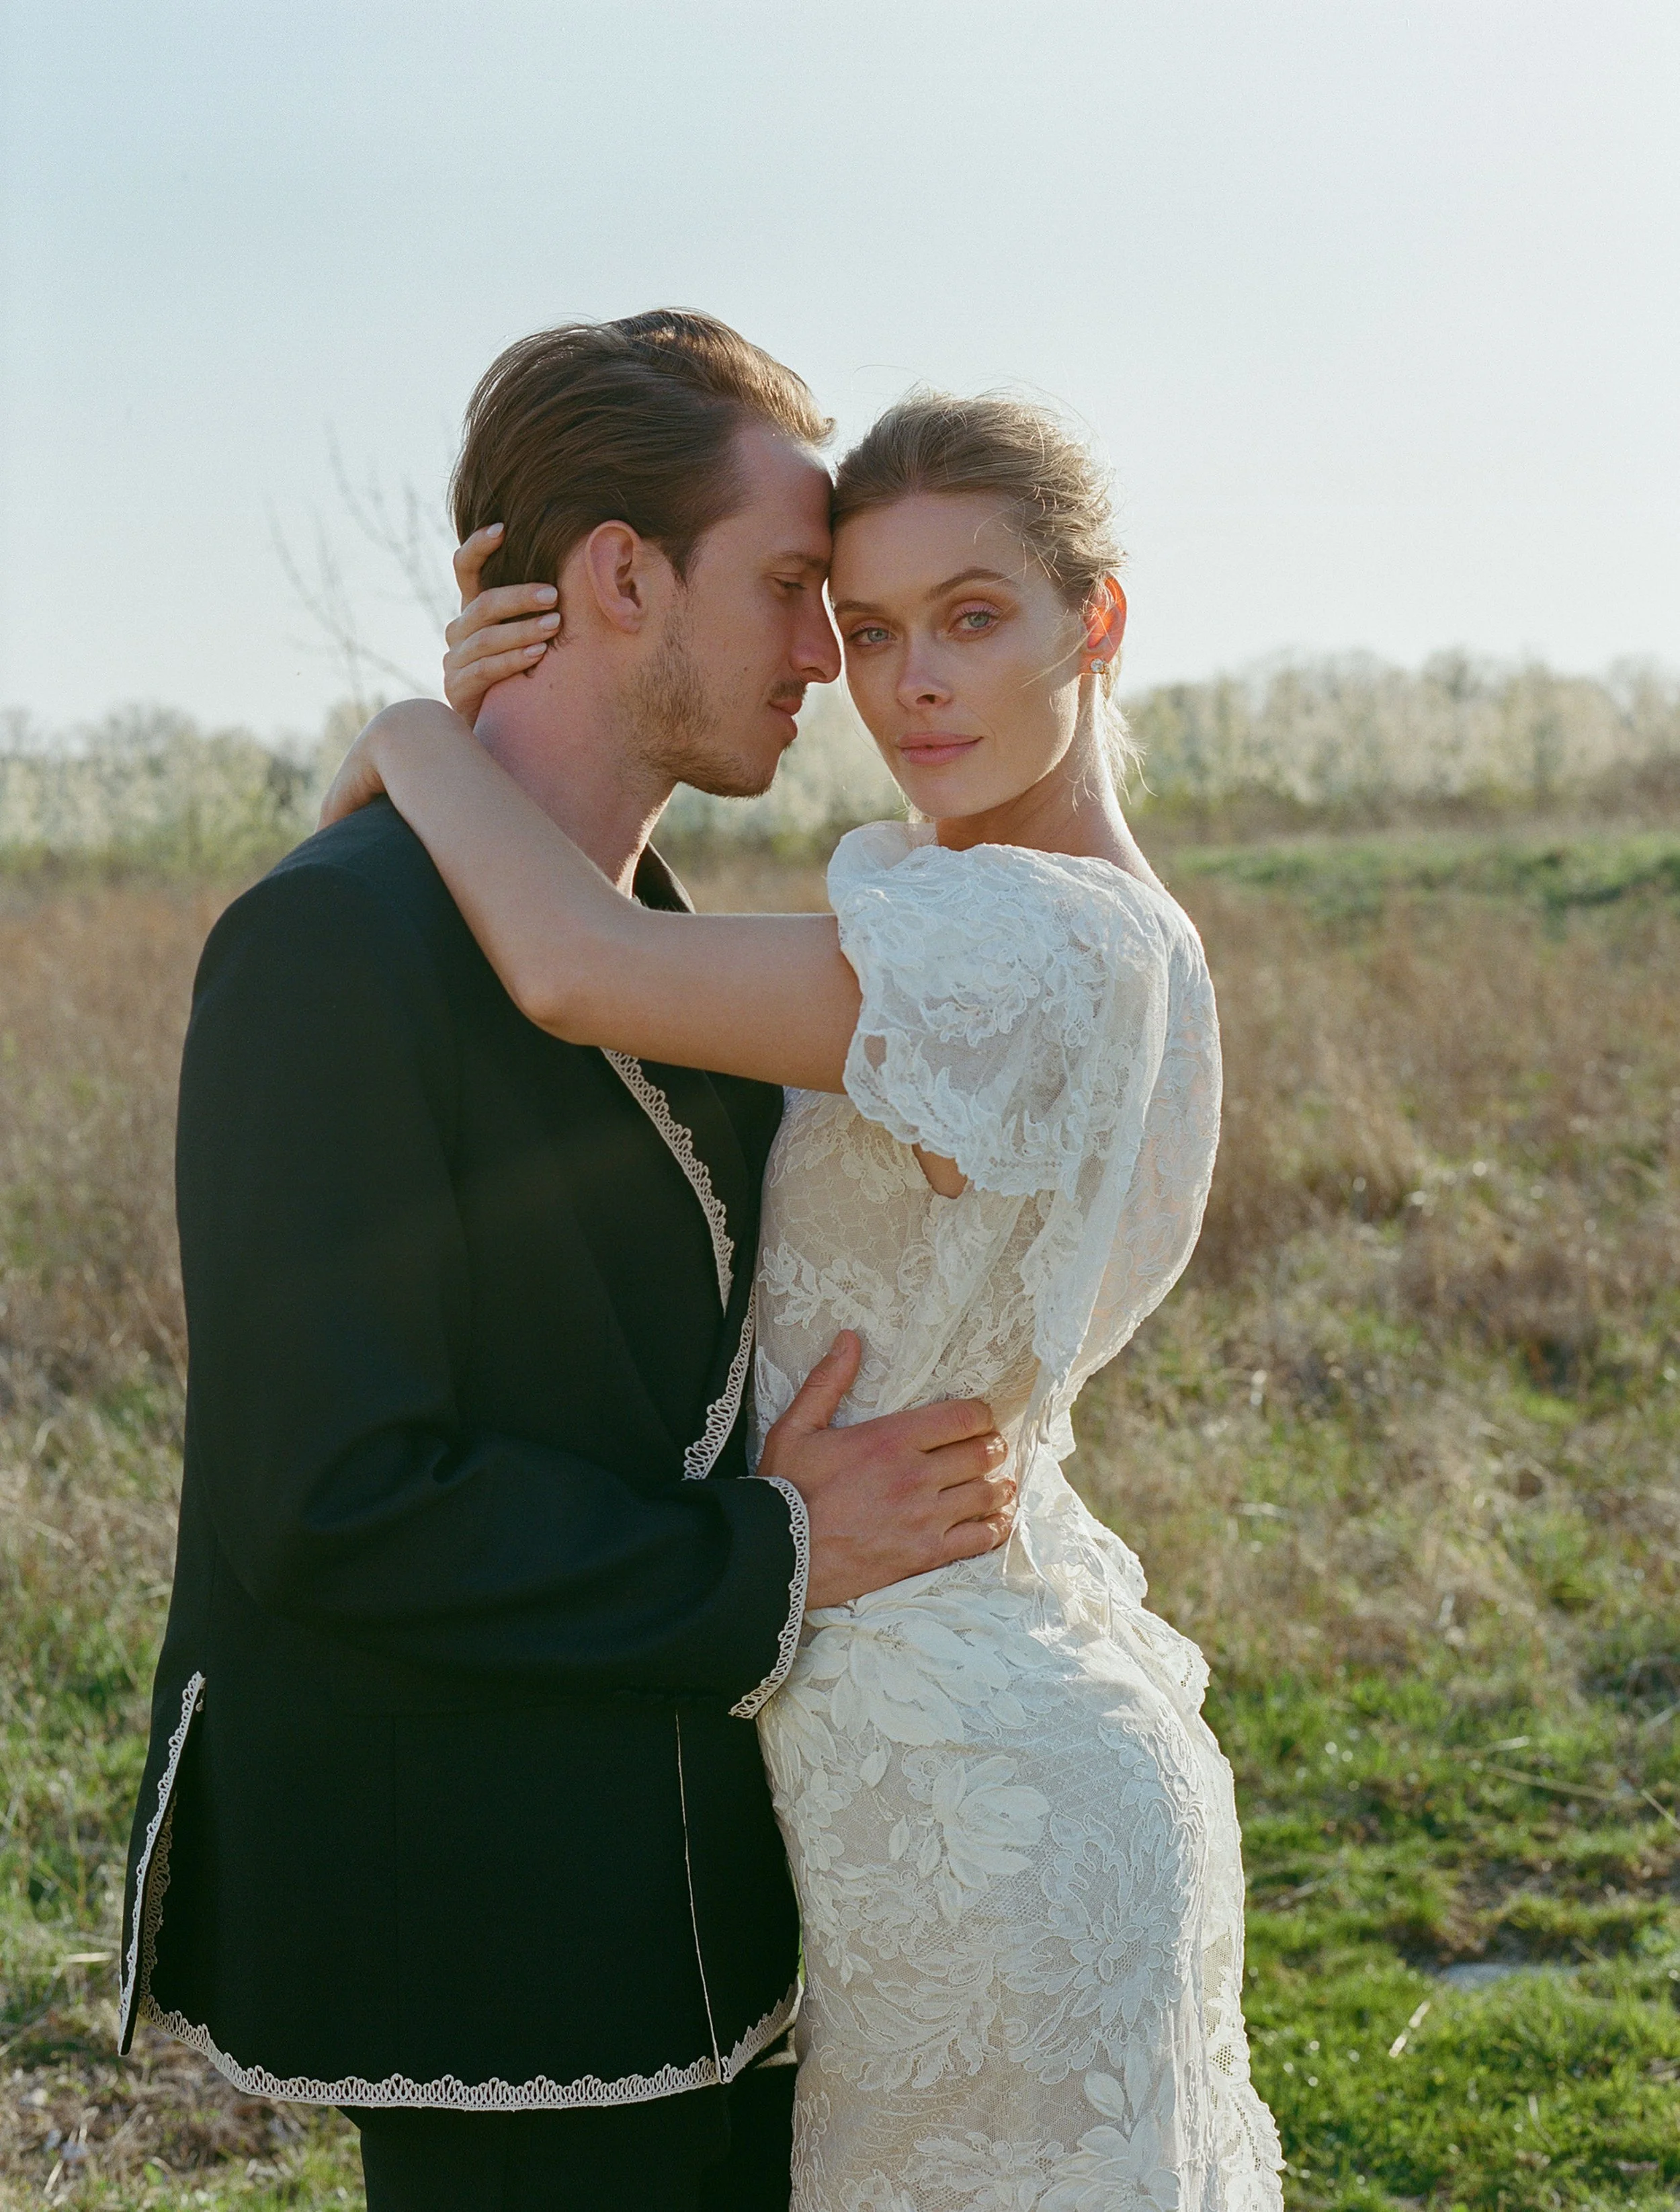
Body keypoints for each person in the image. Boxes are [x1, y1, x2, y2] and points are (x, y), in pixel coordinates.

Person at [324, 388, 1286, 2208]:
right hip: (951, 1710)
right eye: (866, 630)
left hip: (963, 1788)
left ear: (1099, 619)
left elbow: (576, 965)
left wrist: (409, 732)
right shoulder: (1031, 911)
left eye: (974, 617)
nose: (910, 680)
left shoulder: (1033, 947)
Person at [116, 313, 1017, 2212]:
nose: (823, 659)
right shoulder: (332, 947)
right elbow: (331, 1500)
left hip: (710, 1895)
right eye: (788, 588)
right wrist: (775, 1551)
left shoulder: (660, 941)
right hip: (489, 1937)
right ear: (620, 575)